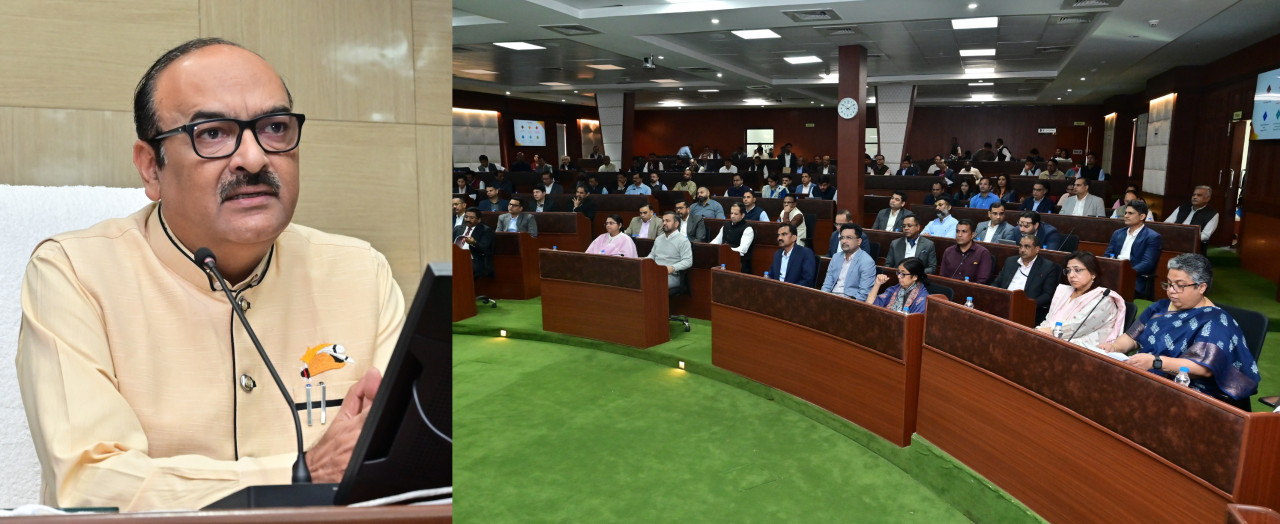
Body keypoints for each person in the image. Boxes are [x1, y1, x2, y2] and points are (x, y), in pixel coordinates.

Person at [15, 40, 417, 511]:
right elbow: (90, 483)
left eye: (274, 128)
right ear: (151, 167)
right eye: (212, 134)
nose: (254, 159)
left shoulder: (360, 273)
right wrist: (302, 474)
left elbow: (400, 458)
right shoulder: (75, 273)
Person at [1100, 254, 1259, 405]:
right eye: (1169, 284)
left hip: (1187, 388)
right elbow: (1132, 337)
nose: (1171, 290)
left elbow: (1203, 368)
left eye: (1180, 285)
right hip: (1144, 374)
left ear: (1201, 287)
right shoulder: (1160, 307)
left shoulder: (1216, 321)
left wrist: (1156, 362)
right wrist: (1114, 347)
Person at [1034, 251, 1124, 346]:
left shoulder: (1104, 299)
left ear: (1093, 273)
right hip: (1051, 338)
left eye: (1077, 270)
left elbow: (1077, 327)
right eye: (1068, 271)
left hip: (1083, 347)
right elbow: (1049, 319)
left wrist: (1041, 333)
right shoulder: (1064, 291)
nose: (1071, 275)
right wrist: (1037, 331)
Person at [992, 234, 1062, 325]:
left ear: (1037, 249)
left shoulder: (1048, 267)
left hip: (1026, 309)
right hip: (1003, 302)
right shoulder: (1011, 261)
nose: (1022, 250)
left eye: (1027, 247)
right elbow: (997, 282)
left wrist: (1028, 305)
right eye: (1020, 246)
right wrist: (995, 295)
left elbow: (1048, 294)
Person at [1107, 200, 1163, 299]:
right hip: (1114, 275)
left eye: (1130, 213)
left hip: (1135, 279)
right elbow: (1107, 255)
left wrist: (1125, 273)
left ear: (1142, 216)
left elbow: (1147, 263)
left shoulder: (1152, 237)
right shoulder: (1118, 233)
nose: (1126, 216)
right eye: (1126, 213)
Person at [821, 224, 876, 300]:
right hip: (831, 299)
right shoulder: (836, 257)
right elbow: (827, 285)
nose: (844, 241)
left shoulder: (867, 262)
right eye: (842, 238)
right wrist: (822, 298)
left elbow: (863, 294)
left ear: (859, 241)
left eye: (849, 238)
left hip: (850, 302)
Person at [1164, 185, 1219, 252]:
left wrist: (1185, 237)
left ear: (1207, 199)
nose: (1195, 197)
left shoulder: (1212, 214)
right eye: (1193, 195)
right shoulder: (1182, 208)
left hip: (1194, 247)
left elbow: (1205, 235)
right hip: (1173, 241)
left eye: (1199, 195)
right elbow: (1167, 224)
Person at [647, 211, 694, 291]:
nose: (664, 223)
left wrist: (672, 268)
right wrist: (644, 261)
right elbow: (652, 255)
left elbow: (688, 261)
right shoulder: (658, 239)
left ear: (676, 224)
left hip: (671, 275)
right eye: (663, 221)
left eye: (667, 221)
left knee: (651, 284)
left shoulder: (683, 241)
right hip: (655, 272)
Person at [867, 257, 933, 314]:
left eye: (903, 274)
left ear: (915, 277)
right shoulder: (895, 289)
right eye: (899, 272)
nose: (899, 276)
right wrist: (877, 284)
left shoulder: (922, 299)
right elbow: (869, 307)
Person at [710, 202, 755, 274]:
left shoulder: (748, 229)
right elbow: (717, 240)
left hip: (738, 262)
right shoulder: (726, 225)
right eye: (731, 213)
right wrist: (709, 246)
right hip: (723, 258)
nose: (733, 216)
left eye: (736, 214)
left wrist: (725, 250)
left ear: (742, 215)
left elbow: (743, 250)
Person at [456, 207, 495, 278]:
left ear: (479, 220)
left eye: (471, 218)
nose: (468, 220)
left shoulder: (486, 231)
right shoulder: (458, 228)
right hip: (456, 258)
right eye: (466, 217)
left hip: (474, 260)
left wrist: (474, 243)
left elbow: (484, 249)